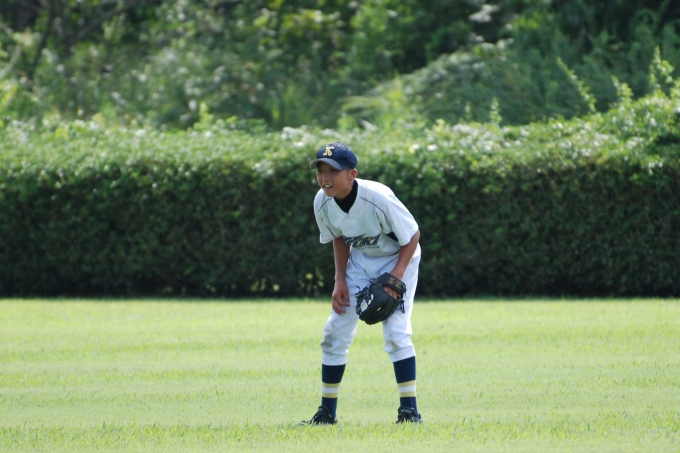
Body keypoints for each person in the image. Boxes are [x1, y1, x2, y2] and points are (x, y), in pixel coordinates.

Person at [300, 142, 423, 425]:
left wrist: (395, 278)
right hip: (359, 262)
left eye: (333, 171)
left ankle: (410, 412)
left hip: (397, 259)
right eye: (320, 170)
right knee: (334, 331)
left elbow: (412, 235)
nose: (325, 177)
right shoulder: (322, 201)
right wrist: (339, 280)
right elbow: (338, 236)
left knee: (396, 332)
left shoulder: (378, 197)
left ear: (352, 174)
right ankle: (326, 413)